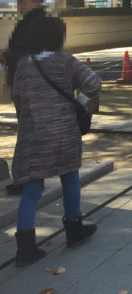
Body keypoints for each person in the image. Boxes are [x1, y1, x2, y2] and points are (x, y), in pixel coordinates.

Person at [11, 15, 101, 267]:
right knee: (69, 176)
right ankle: (74, 229)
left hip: (32, 136)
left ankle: (25, 248)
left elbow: (17, 97)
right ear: (58, 37)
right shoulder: (66, 62)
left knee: (32, 188)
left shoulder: (23, 65)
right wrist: (78, 102)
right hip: (63, 133)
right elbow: (94, 84)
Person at [3, 0, 47, 91]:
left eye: (22, 3)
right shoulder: (27, 22)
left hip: (29, 78)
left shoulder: (35, 24)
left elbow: (31, 53)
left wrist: (5, 55)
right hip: (27, 76)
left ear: (33, 3)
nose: (19, 7)